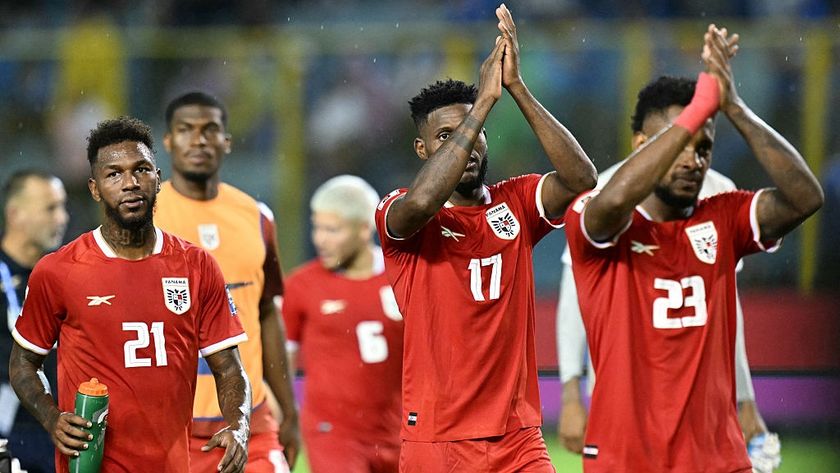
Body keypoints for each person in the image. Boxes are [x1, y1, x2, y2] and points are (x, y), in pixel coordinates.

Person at [564, 25, 822, 472]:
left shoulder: (723, 214)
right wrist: (570, 387)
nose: (694, 160)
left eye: (704, 147)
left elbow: (805, 198)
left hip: (716, 458)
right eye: (680, 145)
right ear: (642, 146)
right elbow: (609, 207)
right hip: (626, 457)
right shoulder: (597, 211)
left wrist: (734, 108)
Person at [374, 5, 596, 471]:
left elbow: (580, 179)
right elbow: (419, 205)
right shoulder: (401, 210)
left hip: (518, 437)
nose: (468, 144)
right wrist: (480, 106)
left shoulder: (514, 202)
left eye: (475, 133)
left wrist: (517, 89)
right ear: (423, 149)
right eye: (446, 136)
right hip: (437, 439)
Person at [8, 116, 252, 473]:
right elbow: (23, 363)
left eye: (141, 170)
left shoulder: (197, 265)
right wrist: (52, 417)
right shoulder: (58, 271)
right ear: (94, 188)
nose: (130, 183)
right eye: (114, 174)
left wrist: (239, 424)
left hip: (171, 464)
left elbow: (229, 368)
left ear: (159, 178)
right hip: (91, 465)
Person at [154, 92, 300, 472]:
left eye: (210, 130)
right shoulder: (145, 221)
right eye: (186, 130)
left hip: (250, 421)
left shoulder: (257, 217)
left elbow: (266, 312)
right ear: (168, 141)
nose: (199, 140)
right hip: (171, 427)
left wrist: (289, 409)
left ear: (227, 142)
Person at [283, 175, 403, 473]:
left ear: (365, 228)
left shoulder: (403, 278)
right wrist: (283, 417)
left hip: (402, 433)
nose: (319, 239)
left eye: (332, 229)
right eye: (317, 227)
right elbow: (280, 362)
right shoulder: (302, 285)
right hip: (332, 433)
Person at [0, 170, 68, 473]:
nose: (62, 218)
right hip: (9, 435)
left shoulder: (62, 277)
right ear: (16, 214)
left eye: (63, 206)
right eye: (50, 208)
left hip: (55, 430)